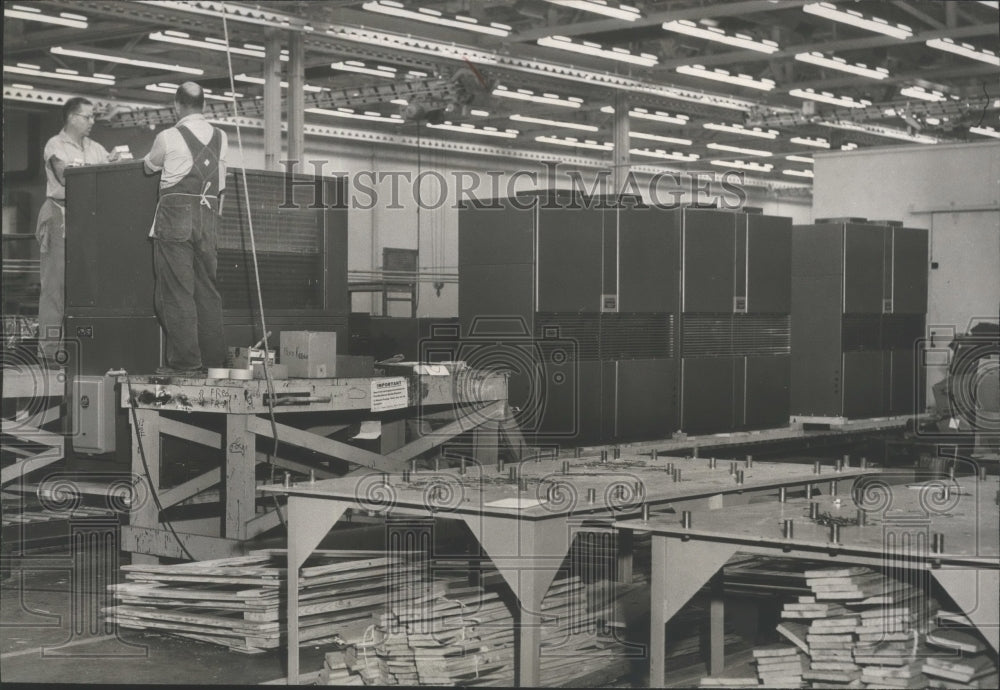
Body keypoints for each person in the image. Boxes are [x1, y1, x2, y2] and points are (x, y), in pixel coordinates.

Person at [143, 81, 228, 376]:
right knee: (207, 291)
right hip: (208, 216)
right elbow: (222, 184)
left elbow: (148, 167)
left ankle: (185, 363)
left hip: (176, 217)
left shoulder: (168, 136)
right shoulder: (221, 136)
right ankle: (215, 362)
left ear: (177, 105)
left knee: (176, 291)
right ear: (203, 105)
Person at [36, 97, 111, 365]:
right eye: (87, 116)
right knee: (54, 288)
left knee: (83, 288)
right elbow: (64, 174)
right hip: (59, 215)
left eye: (93, 117)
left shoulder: (96, 148)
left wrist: (114, 162)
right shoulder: (55, 145)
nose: (92, 122)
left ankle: (77, 350)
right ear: (71, 117)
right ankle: (48, 353)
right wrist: (96, 171)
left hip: (86, 220)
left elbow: (110, 172)